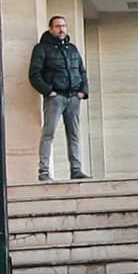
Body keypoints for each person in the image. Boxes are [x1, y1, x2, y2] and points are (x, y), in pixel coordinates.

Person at [30, 13, 91, 181]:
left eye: (63, 26)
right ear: (51, 29)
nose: (61, 29)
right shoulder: (42, 48)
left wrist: (82, 92)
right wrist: (48, 91)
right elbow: (34, 74)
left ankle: (76, 169)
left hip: (73, 97)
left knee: (74, 134)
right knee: (48, 133)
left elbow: (82, 71)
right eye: (58, 26)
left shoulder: (72, 48)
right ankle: (44, 172)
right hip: (55, 97)